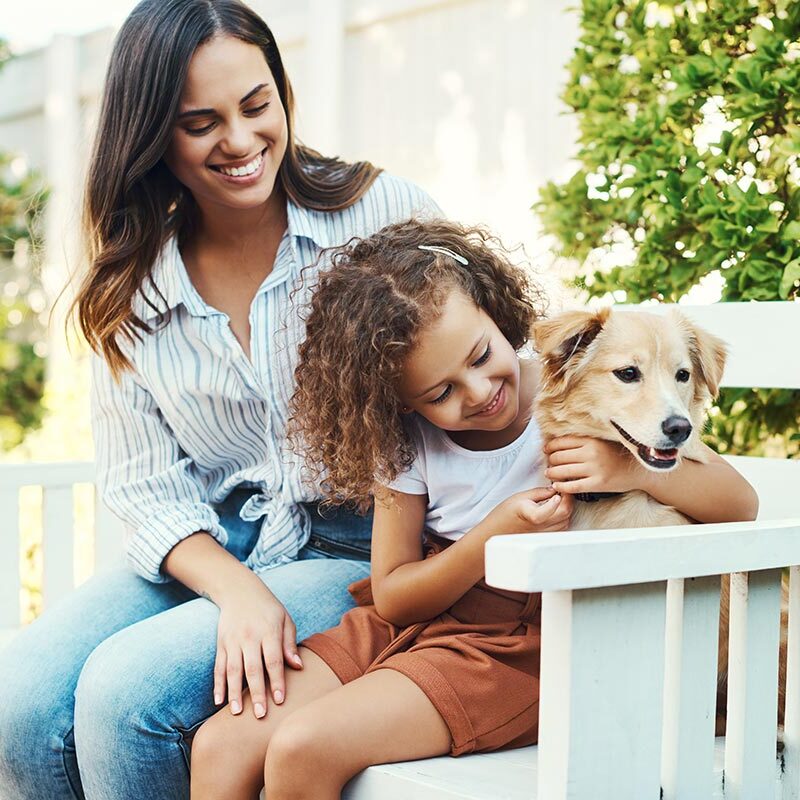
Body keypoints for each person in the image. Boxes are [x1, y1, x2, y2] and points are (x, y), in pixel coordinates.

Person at [0, 2, 440, 799]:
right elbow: (143, 485)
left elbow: (486, 364)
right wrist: (238, 590)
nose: (240, 142)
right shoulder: (133, 288)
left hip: (359, 544)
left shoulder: (381, 214)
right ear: (152, 136)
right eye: (200, 122)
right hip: (218, 543)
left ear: (282, 92)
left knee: (128, 697)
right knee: (21, 701)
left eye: (256, 104)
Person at [188, 218, 759, 799]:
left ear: (493, 310)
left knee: (301, 748)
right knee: (220, 745)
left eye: (481, 356)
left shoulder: (590, 393)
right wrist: (494, 532)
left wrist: (623, 468)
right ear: (397, 402)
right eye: (440, 393)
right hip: (414, 619)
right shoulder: (406, 442)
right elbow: (394, 595)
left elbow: (738, 502)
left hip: (517, 644)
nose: (479, 391)